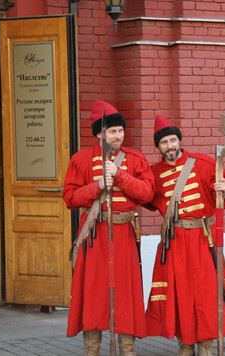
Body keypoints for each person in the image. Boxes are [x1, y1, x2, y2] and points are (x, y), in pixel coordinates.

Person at [63, 101, 155, 356]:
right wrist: (97, 186)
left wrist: (120, 176)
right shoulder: (81, 159)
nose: (118, 135)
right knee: (93, 294)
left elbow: (147, 194)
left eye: (120, 131)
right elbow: (69, 198)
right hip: (94, 235)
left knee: (124, 294)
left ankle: (127, 350)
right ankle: (91, 351)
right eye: (112, 131)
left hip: (124, 235)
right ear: (98, 134)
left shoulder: (136, 160)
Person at [144, 115, 225, 356]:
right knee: (180, 295)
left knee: (207, 295)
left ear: (179, 140)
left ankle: (205, 346)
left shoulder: (205, 163)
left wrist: (224, 190)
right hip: (174, 242)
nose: (170, 146)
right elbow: (144, 197)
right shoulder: (152, 173)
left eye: (173, 140)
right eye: (164, 142)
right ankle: (185, 345)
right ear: (158, 147)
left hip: (203, 240)